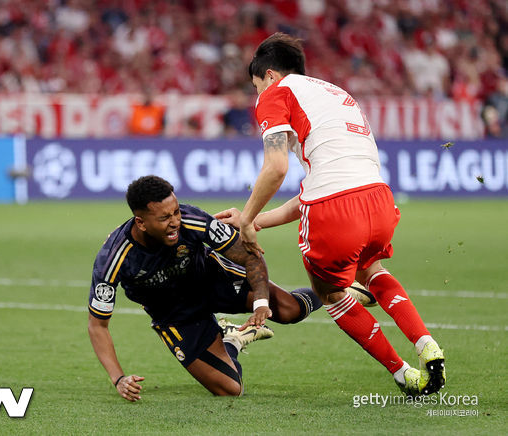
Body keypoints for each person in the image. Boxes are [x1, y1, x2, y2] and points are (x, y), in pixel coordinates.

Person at [216, 33, 446, 397]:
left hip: (335, 211)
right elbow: (318, 189)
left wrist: (245, 220)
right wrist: (257, 219)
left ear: (270, 75)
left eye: (257, 85)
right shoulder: (337, 95)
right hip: (380, 201)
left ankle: (403, 373)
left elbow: (276, 168)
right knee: (371, 269)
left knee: (330, 293)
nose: (258, 94)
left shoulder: (276, 93)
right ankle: (426, 343)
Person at [88, 175, 371, 401]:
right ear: (141, 222)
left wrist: (261, 303)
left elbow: (249, 255)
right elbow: (98, 325)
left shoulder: (191, 220)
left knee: (289, 310)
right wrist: (118, 378)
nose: (175, 222)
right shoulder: (114, 258)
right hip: (177, 315)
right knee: (230, 389)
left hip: (215, 281)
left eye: (175, 212)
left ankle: (343, 289)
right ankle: (234, 339)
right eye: (164, 218)